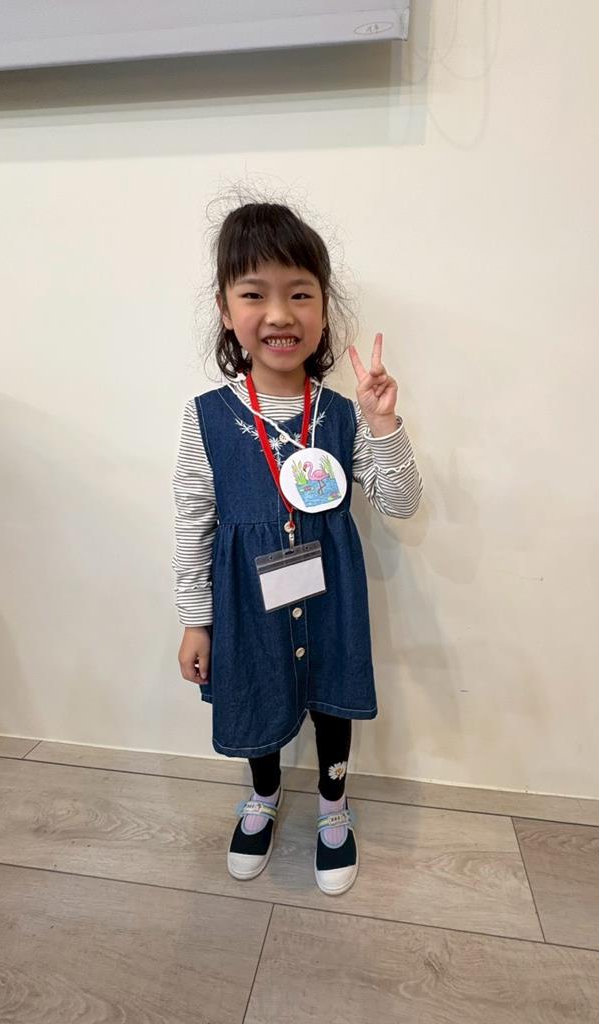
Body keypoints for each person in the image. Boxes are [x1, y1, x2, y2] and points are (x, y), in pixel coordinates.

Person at [173, 201, 422, 896]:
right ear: (226, 310)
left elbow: (400, 502)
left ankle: (334, 806)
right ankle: (262, 796)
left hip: (330, 595)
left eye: (300, 294)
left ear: (323, 308)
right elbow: (192, 524)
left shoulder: (341, 415)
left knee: (333, 699)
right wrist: (195, 620)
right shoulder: (206, 417)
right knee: (256, 695)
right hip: (245, 603)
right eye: (255, 294)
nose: (279, 314)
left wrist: (382, 423)